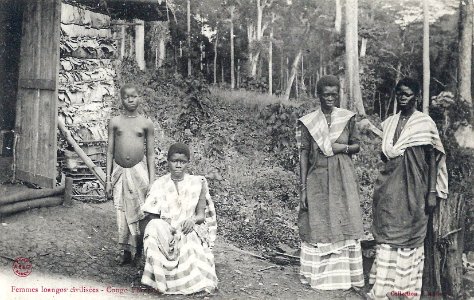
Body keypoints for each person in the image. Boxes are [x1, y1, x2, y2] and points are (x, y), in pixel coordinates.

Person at [368, 78, 448, 300]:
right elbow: (385, 156)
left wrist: (431, 192)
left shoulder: (424, 124)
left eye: (408, 94)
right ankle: (383, 289)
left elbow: (432, 159)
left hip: (414, 189)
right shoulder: (390, 123)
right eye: (400, 94)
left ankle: (403, 291)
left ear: (417, 97)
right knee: (386, 233)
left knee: (410, 234)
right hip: (389, 187)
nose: (403, 98)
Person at [296, 75, 365, 291]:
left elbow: (357, 146)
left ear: (339, 95)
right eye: (326, 94)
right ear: (319, 95)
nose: (330, 98)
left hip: (343, 177)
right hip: (317, 177)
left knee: (343, 218)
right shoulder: (310, 122)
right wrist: (303, 188)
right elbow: (304, 155)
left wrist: (341, 148)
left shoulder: (347, 118)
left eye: (334, 94)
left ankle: (344, 278)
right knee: (318, 220)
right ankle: (319, 277)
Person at [140, 143, 218, 295]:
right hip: (167, 228)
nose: (178, 165)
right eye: (174, 161)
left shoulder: (198, 183)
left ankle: (190, 282)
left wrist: (192, 220)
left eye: (182, 162)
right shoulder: (159, 184)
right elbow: (152, 215)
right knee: (152, 227)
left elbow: (201, 215)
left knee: (189, 243)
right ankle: (159, 280)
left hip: (188, 227)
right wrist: (168, 230)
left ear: (188, 163)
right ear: (168, 161)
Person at [105, 84, 155, 265]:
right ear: (122, 99)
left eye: (134, 96)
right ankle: (124, 250)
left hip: (138, 173)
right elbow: (110, 152)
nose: (131, 100)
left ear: (139, 97)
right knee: (122, 212)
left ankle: (139, 250)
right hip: (119, 172)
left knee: (140, 212)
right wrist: (108, 180)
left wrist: (151, 181)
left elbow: (150, 154)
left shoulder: (146, 123)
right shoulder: (115, 122)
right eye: (127, 97)